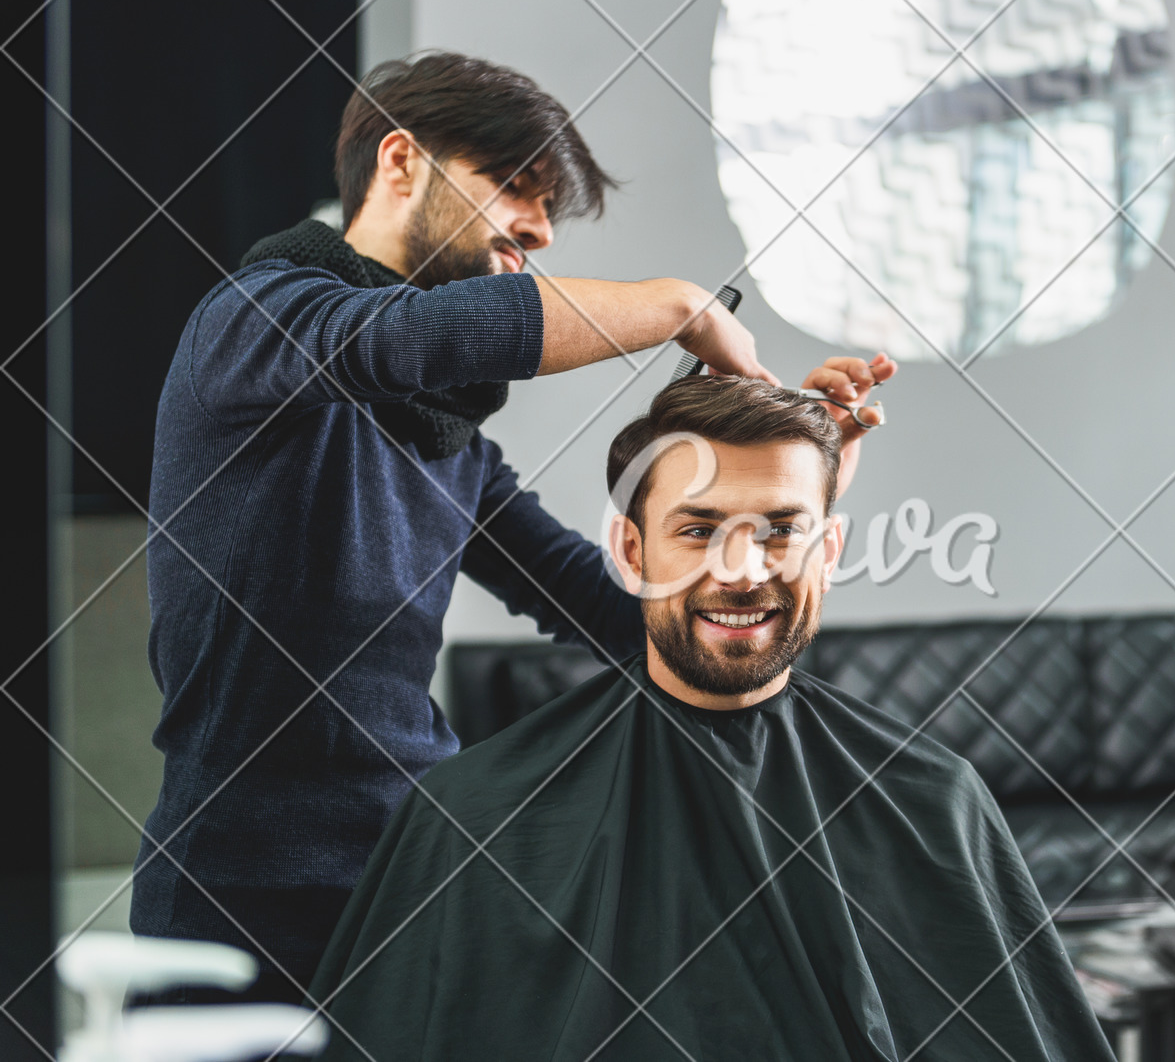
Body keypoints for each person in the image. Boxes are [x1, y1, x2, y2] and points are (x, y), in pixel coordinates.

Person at [134, 52, 894, 1002]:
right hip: (240, 890)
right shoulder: (254, 320)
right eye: (511, 187)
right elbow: (410, 339)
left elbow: (613, 611)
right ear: (400, 161)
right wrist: (677, 307)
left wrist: (795, 493)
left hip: (421, 870)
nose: (535, 229)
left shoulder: (446, 438)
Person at [308, 377, 1115, 1061]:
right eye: (697, 530)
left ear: (828, 552)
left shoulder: (936, 800)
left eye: (780, 530)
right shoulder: (473, 816)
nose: (742, 569)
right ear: (629, 553)